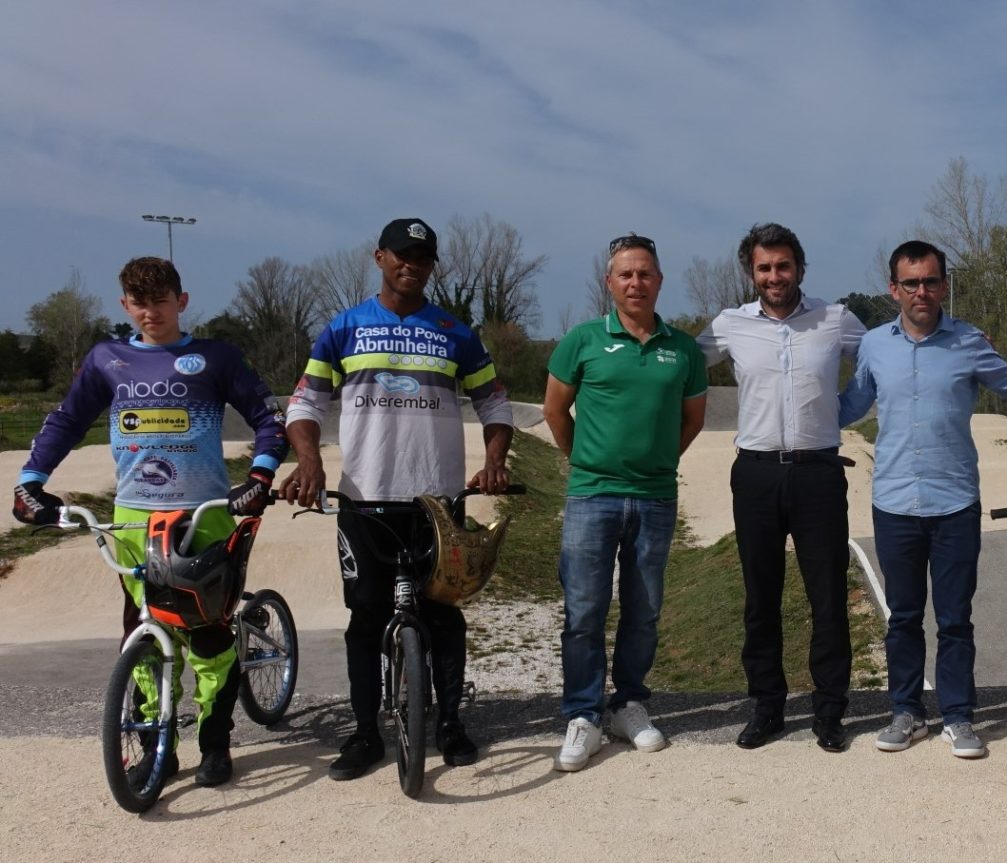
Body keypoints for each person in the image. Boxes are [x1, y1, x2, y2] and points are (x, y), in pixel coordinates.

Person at [13, 256, 288, 787]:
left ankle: (216, 744)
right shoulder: (106, 360)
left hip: (204, 515)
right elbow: (67, 420)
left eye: (160, 301)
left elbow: (266, 417)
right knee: (142, 628)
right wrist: (30, 479)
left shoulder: (216, 357)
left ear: (181, 302)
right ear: (125, 306)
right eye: (139, 304)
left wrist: (259, 475)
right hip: (134, 518)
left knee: (208, 631)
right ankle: (152, 746)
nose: (150, 313)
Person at [282, 218, 513, 780]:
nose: (411, 264)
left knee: (443, 615)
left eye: (423, 257)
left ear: (433, 266)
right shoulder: (344, 328)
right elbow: (304, 404)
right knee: (364, 620)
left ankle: (452, 723)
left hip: (437, 503)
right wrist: (308, 460)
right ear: (380, 257)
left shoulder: (455, 331)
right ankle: (365, 735)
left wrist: (495, 460)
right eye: (402, 255)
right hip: (364, 500)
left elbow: (495, 403)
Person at [838, 240, 1007, 758]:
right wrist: (798, 414)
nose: (922, 291)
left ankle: (959, 717)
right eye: (911, 283)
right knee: (902, 617)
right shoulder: (874, 345)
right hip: (894, 502)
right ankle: (906, 712)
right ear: (894, 289)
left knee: (955, 618)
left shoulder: (968, 342)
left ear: (944, 284)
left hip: (955, 502)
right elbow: (852, 403)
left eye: (931, 281)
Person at [696, 223, 867, 752]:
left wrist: (843, 411)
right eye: (765, 268)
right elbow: (677, 366)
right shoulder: (729, 324)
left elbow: (878, 360)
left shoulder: (835, 318)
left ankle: (830, 710)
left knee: (828, 596)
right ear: (752, 272)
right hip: (756, 473)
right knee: (760, 596)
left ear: (800, 268)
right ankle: (767, 706)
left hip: (818, 471)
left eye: (784, 266)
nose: (775, 276)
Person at [544, 234, 707, 772]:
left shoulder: (682, 349)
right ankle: (584, 714)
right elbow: (554, 412)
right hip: (592, 496)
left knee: (644, 611)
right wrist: (589, 462)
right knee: (585, 610)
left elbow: (693, 420)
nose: (636, 282)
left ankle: (628, 704)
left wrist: (657, 461)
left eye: (645, 274)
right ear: (609, 282)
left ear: (659, 281)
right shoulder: (583, 340)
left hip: (656, 498)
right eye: (625, 274)